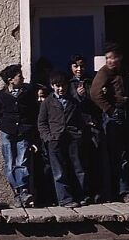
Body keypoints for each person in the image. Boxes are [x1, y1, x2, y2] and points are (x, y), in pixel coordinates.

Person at [90, 43, 129, 203]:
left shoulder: (122, 72)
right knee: (116, 155)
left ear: (120, 58)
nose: (110, 61)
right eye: (108, 58)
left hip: (124, 113)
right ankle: (119, 191)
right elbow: (95, 93)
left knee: (125, 153)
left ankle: (122, 190)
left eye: (113, 57)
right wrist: (110, 110)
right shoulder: (105, 72)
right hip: (114, 115)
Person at [38, 71, 91, 208]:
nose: (61, 89)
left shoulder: (73, 101)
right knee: (59, 171)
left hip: (73, 138)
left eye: (63, 86)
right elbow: (42, 123)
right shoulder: (47, 103)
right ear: (51, 86)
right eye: (57, 86)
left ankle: (81, 196)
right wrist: (48, 137)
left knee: (78, 168)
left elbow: (80, 119)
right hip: (55, 140)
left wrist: (79, 133)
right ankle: (65, 199)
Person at [0, 64, 39, 207]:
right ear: (11, 80)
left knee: (22, 162)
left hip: (23, 132)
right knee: (9, 163)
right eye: (20, 76)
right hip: (7, 132)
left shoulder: (27, 92)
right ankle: (17, 192)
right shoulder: (0, 95)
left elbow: (33, 111)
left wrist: (31, 129)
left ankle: (23, 191)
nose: (23, 78)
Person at [68, 54, 104, 202]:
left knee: (95, 161)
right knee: (79, 163)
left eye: (82, 66)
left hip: (93, 126)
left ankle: (97, 193)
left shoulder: (92, 81)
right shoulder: (68, 84)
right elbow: (68, 105)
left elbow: (97, 102)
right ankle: (82, 194)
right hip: (77, 128)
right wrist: (77, 95)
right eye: (76, 66)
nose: (79, 69)